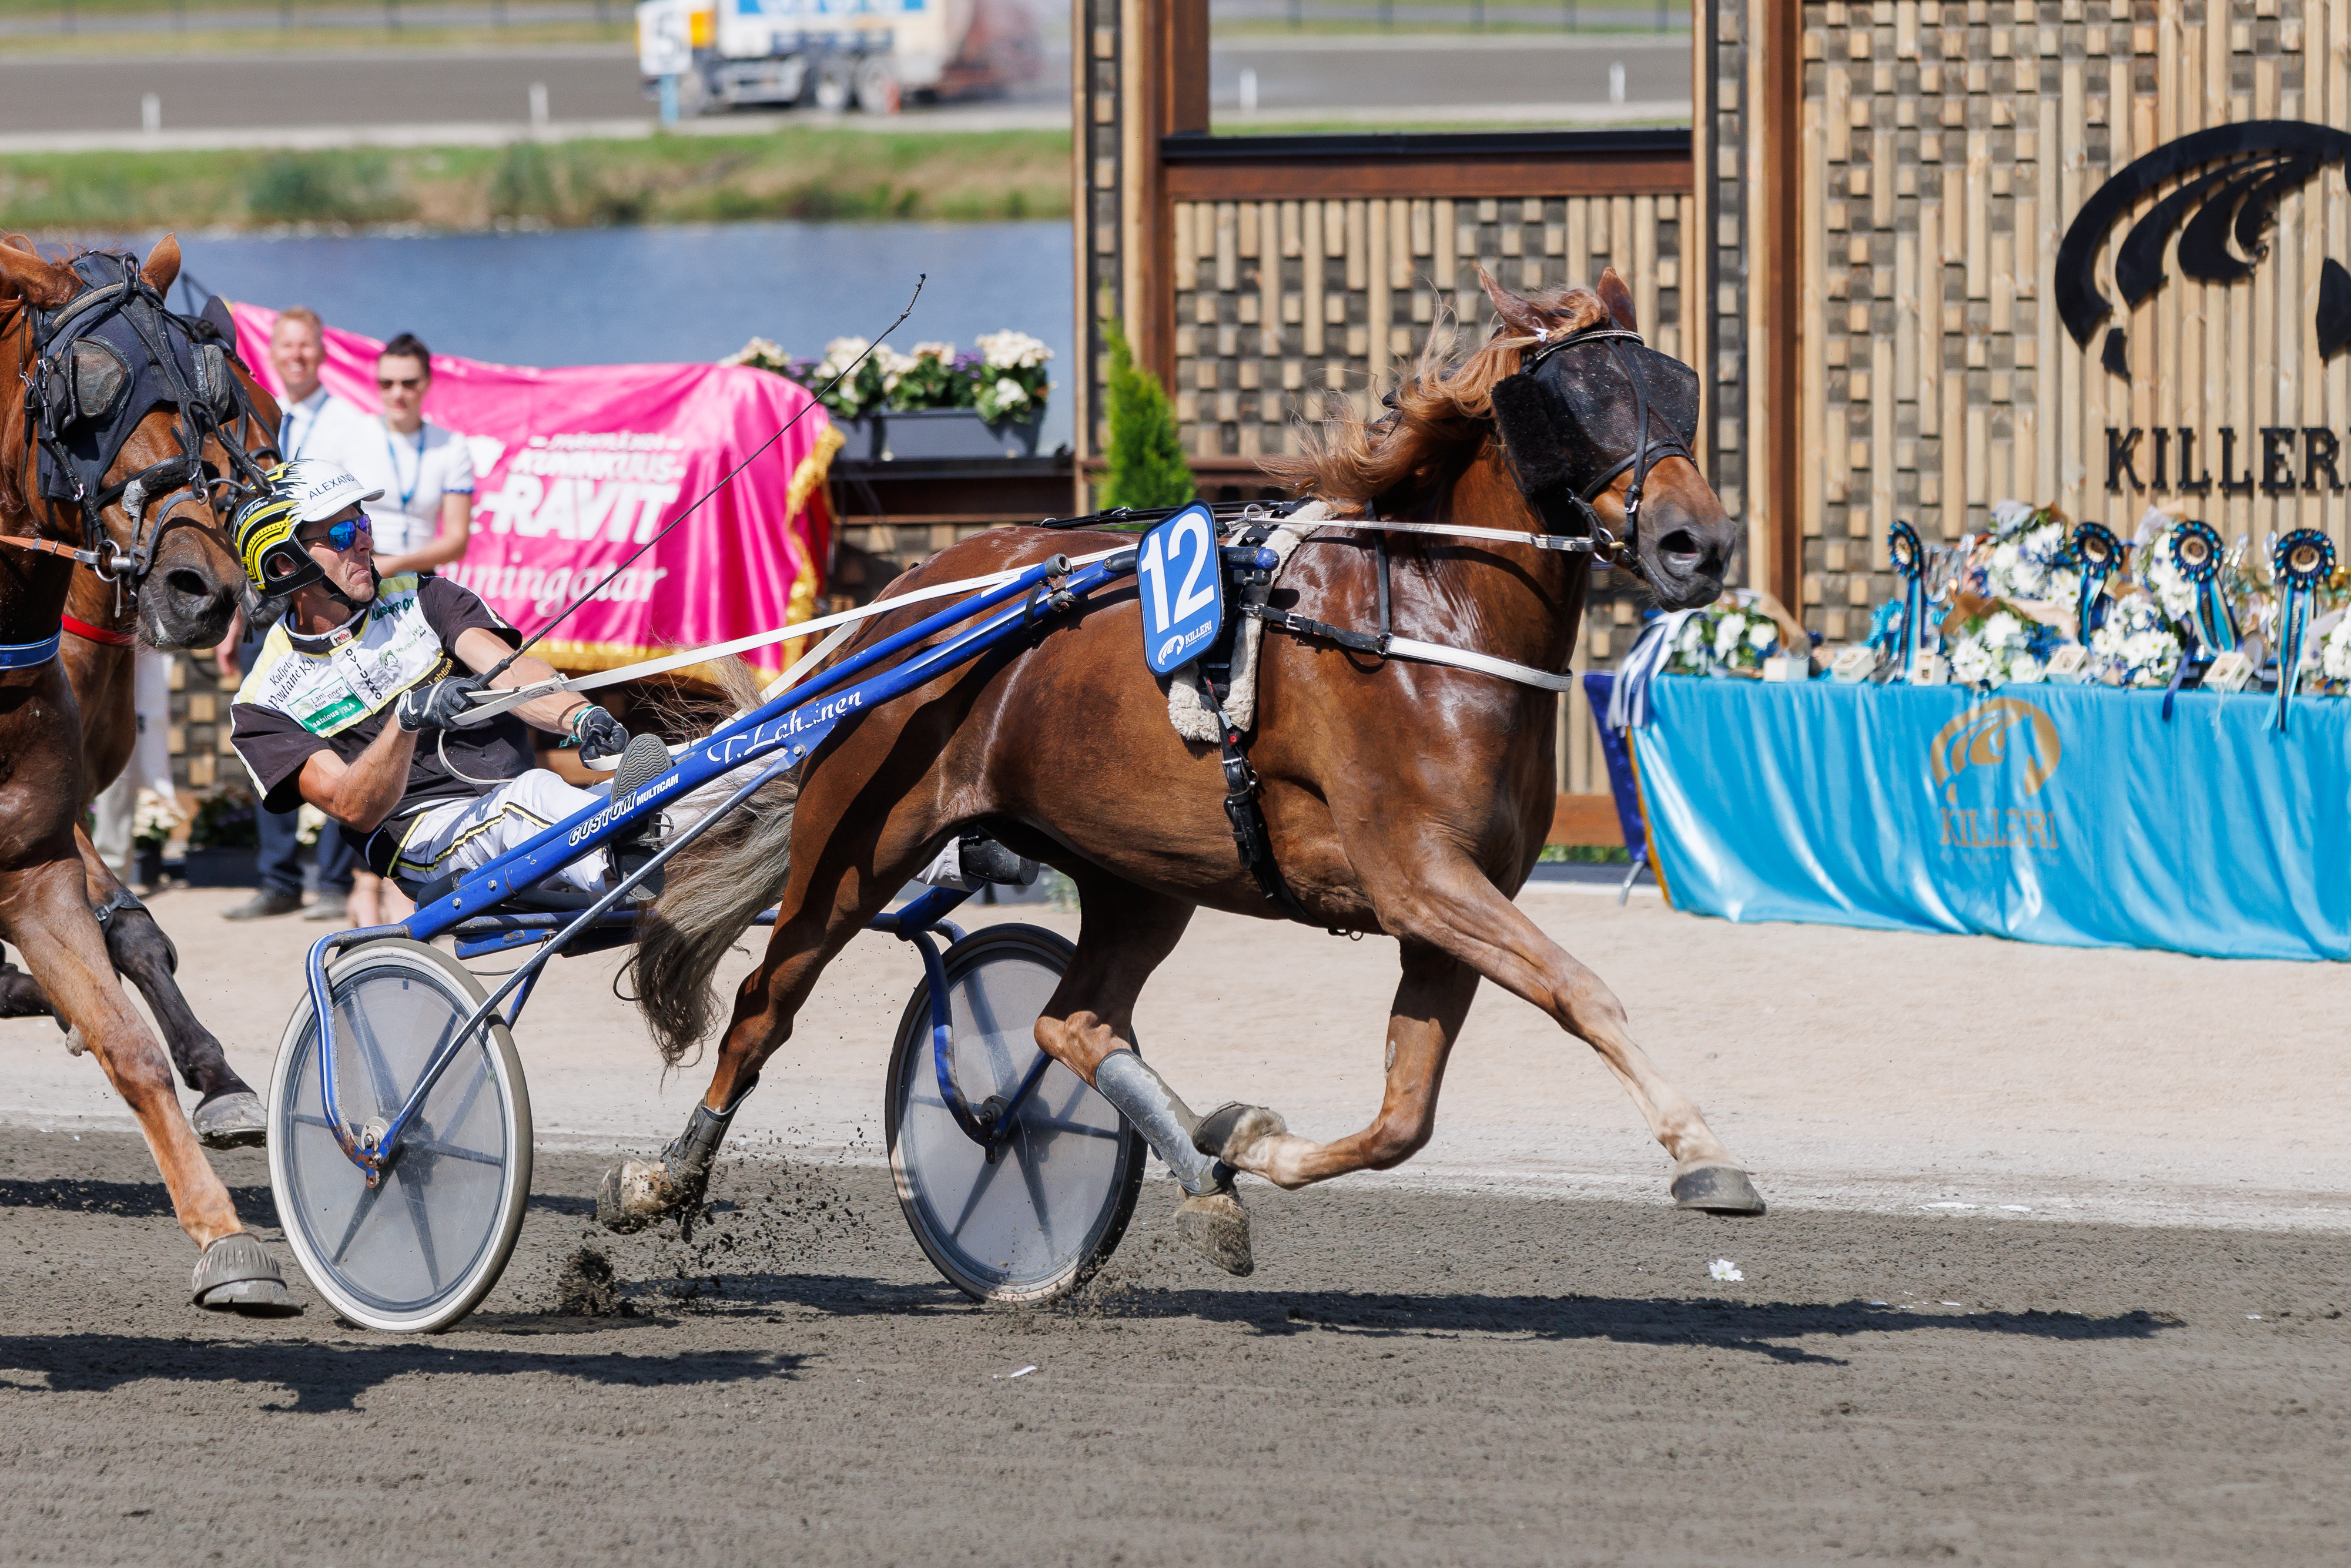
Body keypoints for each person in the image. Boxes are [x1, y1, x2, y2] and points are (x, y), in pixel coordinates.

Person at [226, 460, 654, 912]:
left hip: (516, 806)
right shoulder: (262, 704)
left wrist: (579, 716)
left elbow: (510, 671)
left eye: (363, 523)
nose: (365, 541)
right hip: (423, 839)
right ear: (284, 564)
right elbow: (352, 806)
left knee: (676, 784)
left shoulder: (424, 596)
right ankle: (618, 864)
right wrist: (406, 721)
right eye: (341, 536)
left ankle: (651, 840)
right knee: (531, 798)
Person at [216, 306, 371, 923]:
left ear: (322, 352)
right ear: (274, 352)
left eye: (306, 346)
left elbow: (354, 517)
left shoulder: (350, 423)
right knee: (272, 739)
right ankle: (277, 879)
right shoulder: (258, 420)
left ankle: (333, 881)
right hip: (269, 598)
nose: (296, 356)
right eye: (287, 347)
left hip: (329, 598)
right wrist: (235, 616)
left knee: (345, 730)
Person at [341, 332, 475, 577]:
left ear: (428, 381)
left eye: (409, 383)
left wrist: (396, 564)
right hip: (359, 571)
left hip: (421, 578)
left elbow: (457, 542)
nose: (397, 394)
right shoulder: (350, 434)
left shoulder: (452, 445)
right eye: (387, 383)